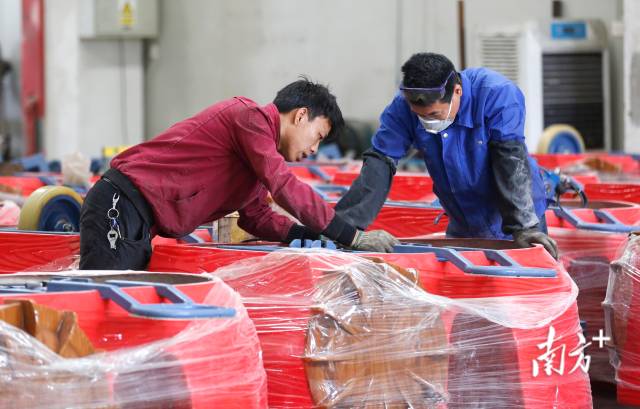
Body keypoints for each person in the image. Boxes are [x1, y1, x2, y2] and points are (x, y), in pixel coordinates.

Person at [79, 78, 398, 270]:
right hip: (120, 205)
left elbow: (256, 217)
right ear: (301, 116)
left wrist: (311, 236)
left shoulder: (256, 159)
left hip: (137, 220)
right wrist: (351, 235)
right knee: (108, 305)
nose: (314, 149)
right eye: (317, 136)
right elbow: (283, 185)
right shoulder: (249, 117)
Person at [335, 53, 558, 258]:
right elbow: (380, 160)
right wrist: (344, 229)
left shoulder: (497, 94)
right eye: (419, 116)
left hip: (515, 215)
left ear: (457, 92)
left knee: (518, 284)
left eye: (434, 114)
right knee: (465, 285)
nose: (427, 121)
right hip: (463, 218)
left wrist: (524, 226)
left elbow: (509, 157)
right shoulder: (402, 106)